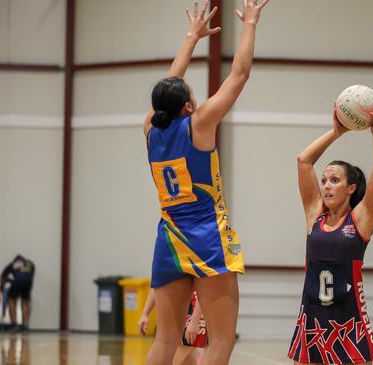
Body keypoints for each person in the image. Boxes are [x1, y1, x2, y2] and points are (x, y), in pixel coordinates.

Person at [143, 0, 269, 364]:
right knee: (221, 341)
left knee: (165, 341)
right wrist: (251, 24)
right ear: (187, 106)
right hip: (207, 237)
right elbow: (240, 74)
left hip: (169, 236)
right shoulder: (199, 124)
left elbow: (168, 85)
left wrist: (190, 38)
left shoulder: (150, 130)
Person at [288, 103, 373, 364]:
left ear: (351, 187)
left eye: (335, 180)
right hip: (312, 319)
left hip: (349, 321)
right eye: (324, 181)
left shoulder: (361, 219)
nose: (327, 186)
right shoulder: (314, 215)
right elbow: (303, 161)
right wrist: (336, 132)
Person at [139, 289, 206, 365]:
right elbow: (155, 287)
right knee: (186, 352)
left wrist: (195, 320)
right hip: (176, 311)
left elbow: (205, 289)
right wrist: (144, 313)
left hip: (193, 309)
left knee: (185, 347)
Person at [0, 255, 35, 331]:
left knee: (11, 300)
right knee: (25, 302)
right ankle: (25, 325)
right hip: (28, 282)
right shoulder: (29, 263)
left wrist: (2, 287)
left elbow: (3, 276)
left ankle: (14, 324)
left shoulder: (13, 263)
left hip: (17, 281)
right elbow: (32, 273)